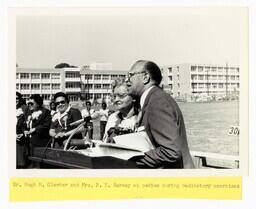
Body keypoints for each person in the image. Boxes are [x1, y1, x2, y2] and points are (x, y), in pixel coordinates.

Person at [126, 60, 194, 168]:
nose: (127, 80)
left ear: (145, 77)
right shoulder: (153, 99)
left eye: (130, 75)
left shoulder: (158, 102)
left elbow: (170, 152)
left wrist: (130, 157)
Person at [103, 77, 140, 143]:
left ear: (134, 97)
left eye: (121, 95)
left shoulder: (140, 119)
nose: (116, 100)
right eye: (114, 96)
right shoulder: (113, 117)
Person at [16, 92, 30, 168]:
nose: (15, 100)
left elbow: (27, 123)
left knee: (21, 164)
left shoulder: (25, 108)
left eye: (17, 98)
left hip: (20, 138)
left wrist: (24, 132)